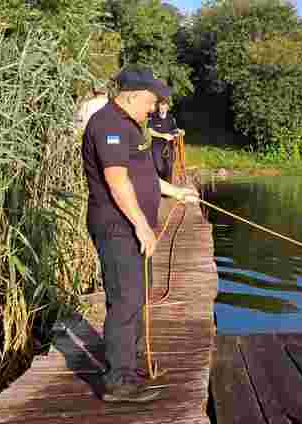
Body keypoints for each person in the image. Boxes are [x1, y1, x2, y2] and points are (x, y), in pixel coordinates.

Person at [81, 65, 200, 403]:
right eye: (151, 100)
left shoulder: (132, 126)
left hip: (131, 227)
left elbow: (143, 177)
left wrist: (176, 192)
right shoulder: (108, 124)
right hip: (117, 227)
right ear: (132, 94)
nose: (154, 107)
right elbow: (117, 181)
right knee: (125, 300)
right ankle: (119, 383)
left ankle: (131, 369)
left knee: (138, 297)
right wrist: (141, 225)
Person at [147, 98, 184, 182]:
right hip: (157, 147)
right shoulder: (153, 117)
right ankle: (160, 186)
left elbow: (174, 129)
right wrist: (163, 135)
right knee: (159, 168)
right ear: (158, 106)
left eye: (164, 105)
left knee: (169, 168)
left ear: (167, 107)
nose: (162, 107)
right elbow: (150, 131)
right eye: (161, 105)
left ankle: (168, 188)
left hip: (169, 146)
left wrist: (179, 131)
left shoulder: (171, 118)